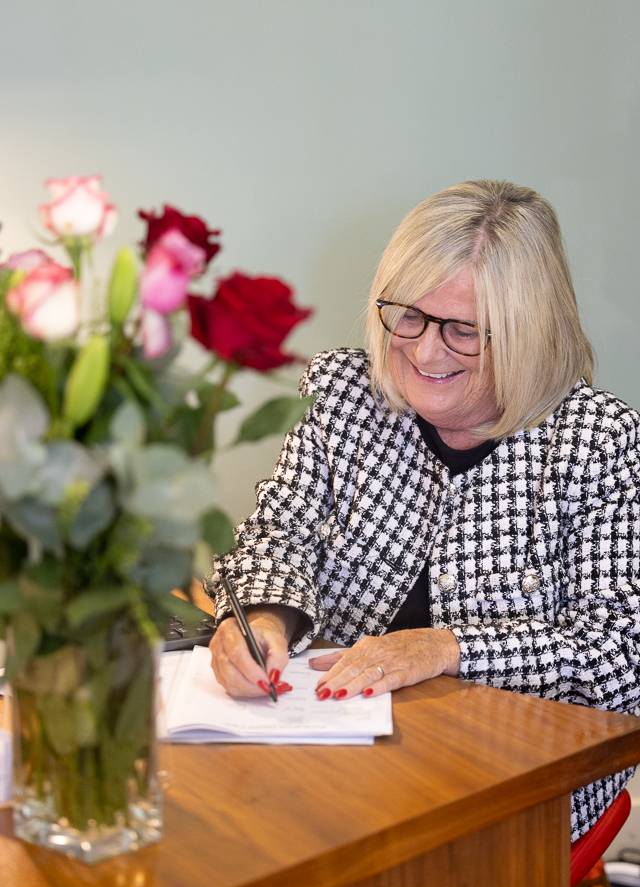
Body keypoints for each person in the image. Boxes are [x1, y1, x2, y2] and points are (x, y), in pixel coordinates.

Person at [207, 179, 640, 840]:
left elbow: (619, 653)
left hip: (513, 781)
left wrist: (448, 648)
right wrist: (263, 617)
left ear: (526, 330)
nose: (425, 351)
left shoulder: (596, 442)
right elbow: (278, 535)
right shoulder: (345, 393)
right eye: (407, 314)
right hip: (331, 749)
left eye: (463, 330)